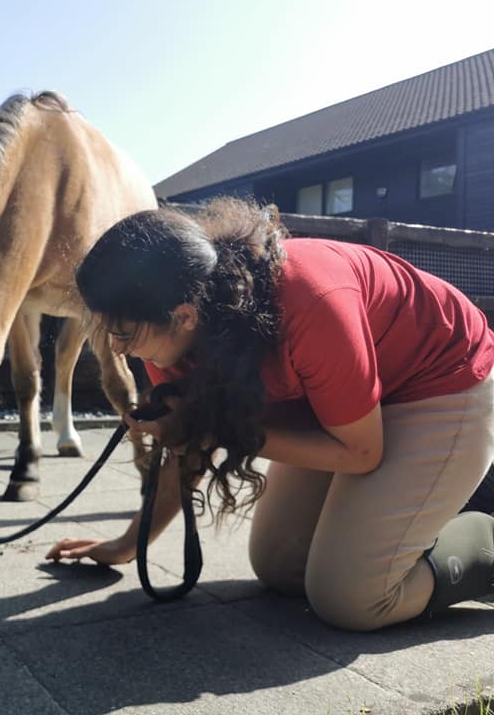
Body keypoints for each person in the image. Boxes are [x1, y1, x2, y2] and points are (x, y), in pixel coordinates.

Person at [46, 198, 494, 632]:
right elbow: (189, 441)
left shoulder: (312, 302)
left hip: (441, 383)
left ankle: (483, 542)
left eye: (122, 334)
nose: (118, 348)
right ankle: (408, 521)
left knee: (353, 600)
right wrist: (129, 544)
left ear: (183, 315)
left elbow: (361, 453)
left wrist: (217, 425)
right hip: (351, 403)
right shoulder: (170, 323)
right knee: (280, 566)